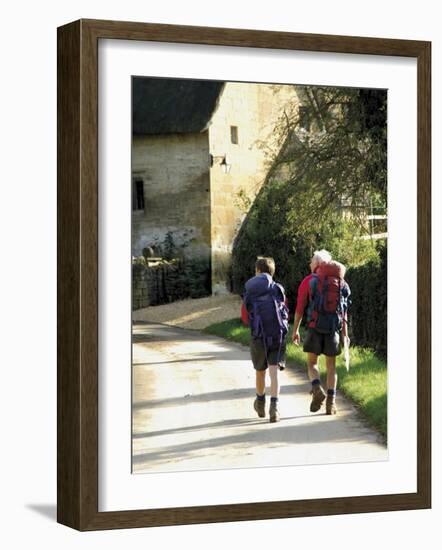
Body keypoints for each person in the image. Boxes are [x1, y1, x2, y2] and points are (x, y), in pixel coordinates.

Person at [292, 250, 351, 415]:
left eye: (311, 261)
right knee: (331, 367)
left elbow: (300, 308)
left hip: (314, 327)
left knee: (312, 363)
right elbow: (344, 311)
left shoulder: (309, 282)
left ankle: (317, 388)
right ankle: (330, 405)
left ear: (318, 264)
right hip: (333, 329)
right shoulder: (342, 283)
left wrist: (295, 330)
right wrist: (345, 335)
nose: (309, 263)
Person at [243, 257, 289, 423]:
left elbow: (245, 316)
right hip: (277, 335)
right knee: (274, 372)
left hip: (258, 336)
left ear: (257, 271)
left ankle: (260, 401)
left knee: (260, 371)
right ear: (272, 271)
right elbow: (285, 310)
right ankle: (274, 407)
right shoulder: (278, 289)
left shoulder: (251, 290)